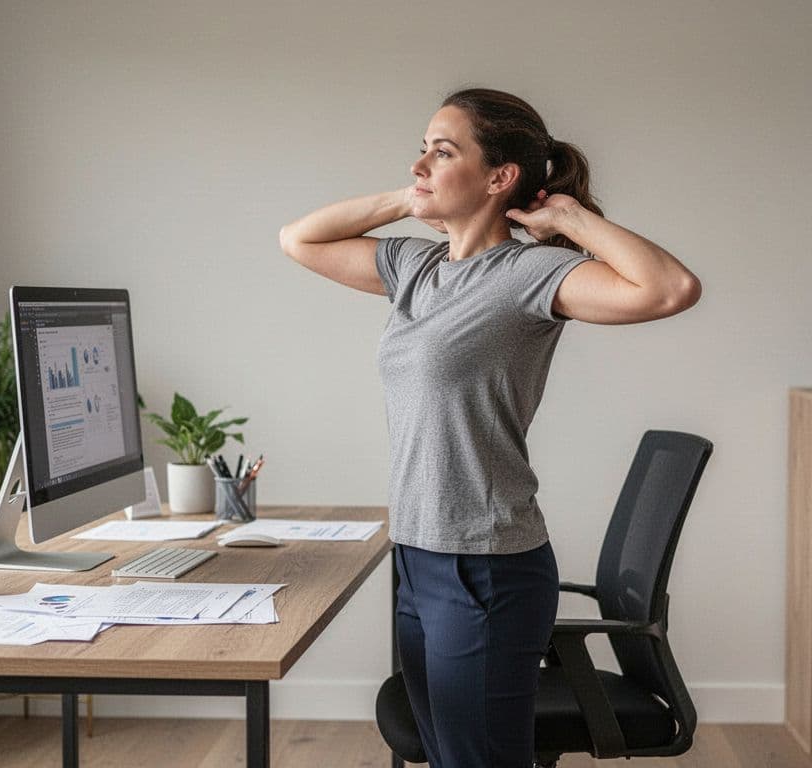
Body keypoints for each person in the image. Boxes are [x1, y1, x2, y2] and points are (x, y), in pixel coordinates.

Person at [279, 87, 700, 768]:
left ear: (499, 177)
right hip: (418, 554)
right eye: (421, 148)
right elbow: (297, 238)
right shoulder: (414, 267)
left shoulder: (530, 274)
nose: (420, 163)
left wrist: (565, 215)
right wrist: (409, 196)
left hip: (485, 563)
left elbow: (669, 289)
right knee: (450, 756)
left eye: (442, 152)